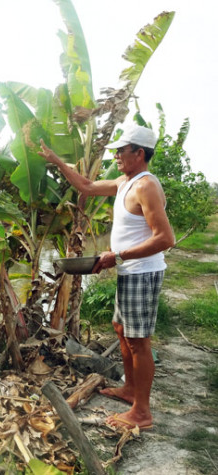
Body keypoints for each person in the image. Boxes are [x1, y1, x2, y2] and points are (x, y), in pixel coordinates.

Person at [38, 125, 175, 431]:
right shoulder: (124, 182)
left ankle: (142, 412)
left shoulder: (146, 186)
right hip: (129, 271)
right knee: (121, 330)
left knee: (139, 342)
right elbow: (86, 186)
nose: (116, 155)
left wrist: (118, 256)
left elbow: (166, 238)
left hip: (142, 272)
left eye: (121, 150)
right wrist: (58, 162)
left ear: (139, 153)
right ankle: (130, 390)